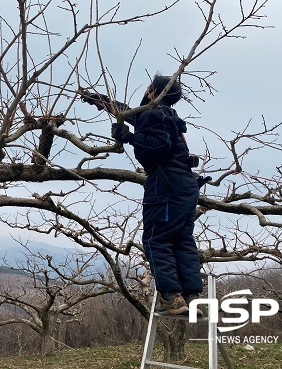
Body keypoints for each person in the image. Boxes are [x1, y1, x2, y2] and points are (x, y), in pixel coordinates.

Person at [82, 74, 209, 315]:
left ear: (153, 91)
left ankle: (171, 297)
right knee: (182, 239)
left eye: (149, 87)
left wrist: (128, 137)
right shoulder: (165, 115)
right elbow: (127, 111)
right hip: (185, 185)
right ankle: (191, 297)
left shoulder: (153, 115)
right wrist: (97, 99)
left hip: (165, 184)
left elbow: (158, 147)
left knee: (156, 239)